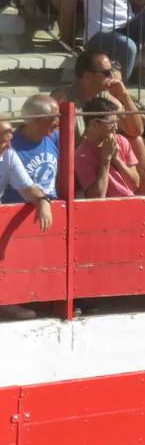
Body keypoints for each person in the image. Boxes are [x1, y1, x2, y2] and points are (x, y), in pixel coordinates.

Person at [0, 118, 54, 321]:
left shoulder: (9, 156)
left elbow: (27, 188)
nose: (9, 145)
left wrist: (42, 199)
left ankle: (4, 302)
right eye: (4, 142)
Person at [75, 94, 145, 198]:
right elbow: (98, 196)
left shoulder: (121, 141)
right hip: (106, 209)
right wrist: (106, 159)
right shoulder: (81, 156)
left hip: (130, 202)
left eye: (116, 122)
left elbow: (135, 184)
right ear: (94, 124)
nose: (116, 127)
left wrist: (116, 159)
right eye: (111, 123)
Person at [1, 95, 60, 206]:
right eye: (54, 117)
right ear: (38, 119)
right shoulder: (8, 147)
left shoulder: (57, 138)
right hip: (18, 215)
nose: (58, 122)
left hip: (52, 211)